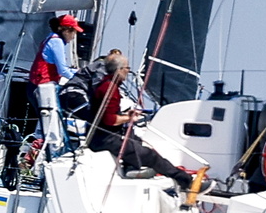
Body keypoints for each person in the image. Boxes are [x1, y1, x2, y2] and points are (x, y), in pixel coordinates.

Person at [83, 50, 199, 196]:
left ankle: (132, 169)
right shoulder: (109, 89)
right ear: (119, 70)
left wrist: (126, 116)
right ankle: (186, 180)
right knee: (150, 155)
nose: (128, 72)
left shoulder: (107, 85)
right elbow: (110, 120)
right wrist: (129, 118)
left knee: (137, 141)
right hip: (103, 139)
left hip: (102, 135)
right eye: (127, 68)